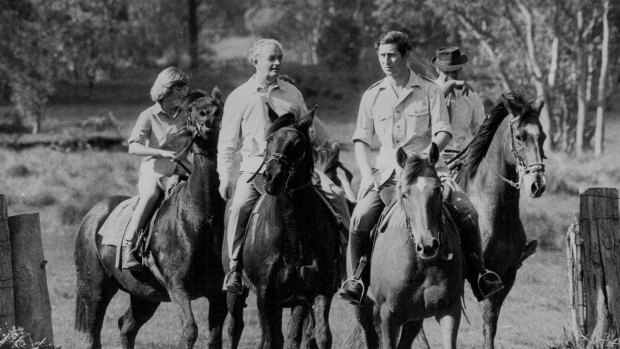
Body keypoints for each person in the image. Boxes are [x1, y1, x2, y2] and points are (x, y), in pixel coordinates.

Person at [337, 32, 502, 306]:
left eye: (392, 55)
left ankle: (479, 276)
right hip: (388, 174)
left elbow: (443, 130)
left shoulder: (429, 90)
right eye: (382, 56)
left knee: (468, 213)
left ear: (405, 56)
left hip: (427, 172)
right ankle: (355, 279)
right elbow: (361, 140)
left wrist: (427, 155)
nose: (386, 61)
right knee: (360, 217)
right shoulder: (372, 95)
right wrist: (366, 174)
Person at [217, 39, 350, 295]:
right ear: (255, 61)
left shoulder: (292, 93)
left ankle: (344, 268)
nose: (277, 63)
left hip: (297, 169)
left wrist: (328, 142)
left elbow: (309, 123)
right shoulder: (239, 97)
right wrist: (225, 177)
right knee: (239, 207)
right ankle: (234, 269)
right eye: (271, 58)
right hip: (257, 168)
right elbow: (227, 143)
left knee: (338, 198)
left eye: (280, 58)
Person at [432, 46, 504, 301]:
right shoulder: (426, 93)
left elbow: (480, 132)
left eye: (455, 70)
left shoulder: (470, 97)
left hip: (463, 160)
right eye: (445, 71)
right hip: (431, 160)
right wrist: (444, 91)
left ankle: (484, 268)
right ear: (436, 69)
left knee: (493, 192)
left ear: (461, 69)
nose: (451, 75)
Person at [123, 67, 192, 271]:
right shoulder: (148, 115)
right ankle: (130, 247)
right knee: (151, 195)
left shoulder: (186, 115)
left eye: (185, 87)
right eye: (179, 87)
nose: (184, 91)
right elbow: (133, 147)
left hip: (182, 170)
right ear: (166, 88)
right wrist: (161, 152)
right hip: (154, 171)